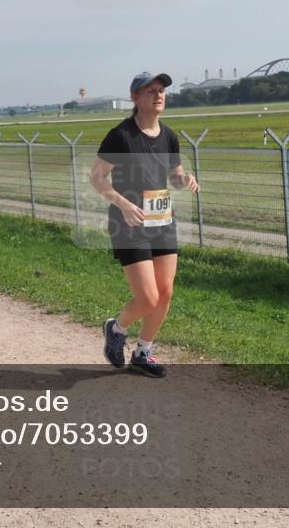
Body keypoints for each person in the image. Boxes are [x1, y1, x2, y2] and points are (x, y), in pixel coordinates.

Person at [90, 72, 199, 378]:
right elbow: (96, 178)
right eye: (150, 91)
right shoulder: (121, 135)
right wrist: (123, 203)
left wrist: (185, 179)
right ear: (135, 97)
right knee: (148, 298)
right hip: (129, 223)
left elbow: (174, 176)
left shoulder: (169, 136)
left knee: (165, 293)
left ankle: (143, 352)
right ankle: (117, 328)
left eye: (161, 90)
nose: (158, 95)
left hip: (162, 221)